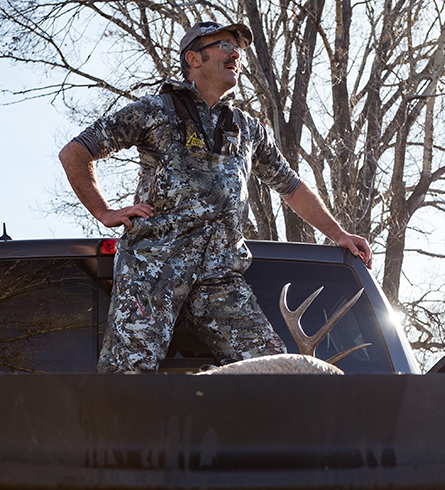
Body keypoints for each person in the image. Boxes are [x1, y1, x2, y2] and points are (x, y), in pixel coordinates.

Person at [59, 20, 373, 373]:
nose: (235, 52)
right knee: (126, 379)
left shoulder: (248, 129)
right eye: (224, 45)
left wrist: (340, 235)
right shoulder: (154, 111)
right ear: (194, 58)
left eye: (238, 47)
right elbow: (75, 153)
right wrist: (103, 211)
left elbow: (292, 187)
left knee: (279, 374)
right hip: (153, 271)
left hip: (220, 278)